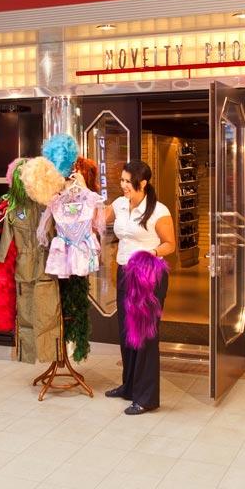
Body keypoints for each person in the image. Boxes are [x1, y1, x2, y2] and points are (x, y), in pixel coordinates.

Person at [104, 159, 175, 415]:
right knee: (126, 333)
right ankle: (129, 386)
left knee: (145, 335)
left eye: (127, 181)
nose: (123, 185)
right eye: (122, 180)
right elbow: (97, 219)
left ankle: (146, 398)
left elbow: (170, 244)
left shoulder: (158, 211)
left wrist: (150, 253)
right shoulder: (120, 204)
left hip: (148, 275)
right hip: (125, 272)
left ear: (142, 183)